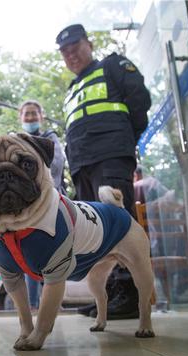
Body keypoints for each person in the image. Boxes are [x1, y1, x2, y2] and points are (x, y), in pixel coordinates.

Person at [56, 24, 152, 319]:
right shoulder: (72, 90)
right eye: (66, 52)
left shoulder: (112, 65)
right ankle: (110, 295)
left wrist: (122, 139)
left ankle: (132, 293)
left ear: (89, 44)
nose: (72, 55)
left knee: (120, 222)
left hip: (111, 155)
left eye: (76, 48)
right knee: (95, 230)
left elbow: (139, 101)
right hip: (83, 164)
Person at [18, 100, 67, 309]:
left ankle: (53, 304)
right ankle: (32, 305)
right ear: (20, 118)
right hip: (25, 208)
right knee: (30, 255)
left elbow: (56, 164)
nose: (30, 118)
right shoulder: (16, 140)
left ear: (41, 116)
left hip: (51, 204)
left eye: (33, 114)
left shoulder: (50, 138)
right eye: (26, 114)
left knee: (54, 253)